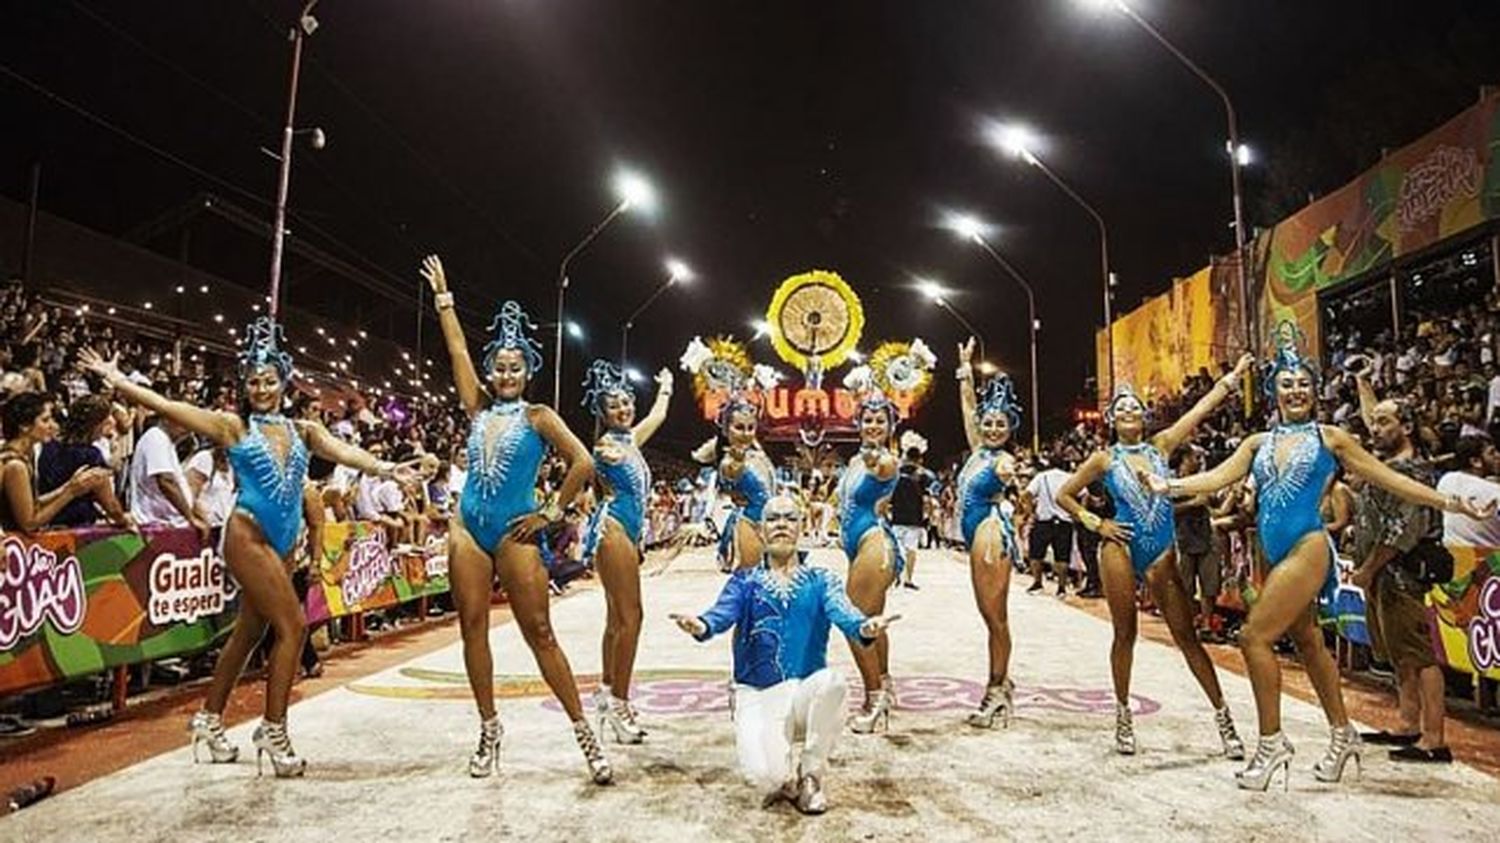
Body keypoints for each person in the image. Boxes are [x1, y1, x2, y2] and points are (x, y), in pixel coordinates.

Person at [1142, 323, 1493, 790]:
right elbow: (1216, 477)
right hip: (1271, 551)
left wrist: (1450, 502)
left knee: (1252, 638)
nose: (1296, 390)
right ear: (1273, 393)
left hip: (1308, 546)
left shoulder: (1331, 438)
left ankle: (1271, 745)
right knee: (1308, 641)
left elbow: (1390, 479)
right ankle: (1343, 734)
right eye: (1287, 384)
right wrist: (1169, 486)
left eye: (1304, 384)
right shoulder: (1256, 444)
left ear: (1315, 391)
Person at [79, 320, 411, 779]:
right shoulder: (232, 427)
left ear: (283, 382)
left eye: (268, 380)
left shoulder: (304, 430)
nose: (260, 387)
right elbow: (168, 404)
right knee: (293, 626)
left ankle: (209, 720)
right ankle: (273, 731)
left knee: (247, 634)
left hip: (285, 542)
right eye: (252, 381)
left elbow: (344, 453)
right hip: (247, 533)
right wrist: (119, 382)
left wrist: (388, 468)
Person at [422, 255, 611, 784]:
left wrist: (550, 512)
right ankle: (488, 728)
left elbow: (584, 463)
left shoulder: (539, 416)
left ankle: (584, 733)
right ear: (491, 371)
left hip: (513, 532)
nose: (506, 375)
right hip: (468, 530)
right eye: (499, 368)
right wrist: (446, 301)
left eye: (515, 368)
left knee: (540, 633)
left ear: (529, 370)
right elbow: (457, 347)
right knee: (472, 629)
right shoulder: (477, 409)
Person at [1057, 354, 1250, 758]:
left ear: (1144, 417)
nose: (1128, 411)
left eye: (1135, 407)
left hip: (1162, 549)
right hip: (1120, 544)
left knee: (1187, 636)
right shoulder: (1103, 459)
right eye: (1120, 408)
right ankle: (1124, 714)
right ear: (1111, 419)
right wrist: (1098, 524)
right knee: (1124, 633)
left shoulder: (1162, 446)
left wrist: (1231, 379)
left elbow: (1199, 409)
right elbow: (1064, 496)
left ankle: (1224, 718)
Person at [671, 494, 897, 814]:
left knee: (833, 683)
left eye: (790, 518)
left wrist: (864, 627)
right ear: (762, 530)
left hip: (805, 692)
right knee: (766, 777)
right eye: (774, 519)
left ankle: (811, 774)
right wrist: (701, 625)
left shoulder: (822, 580)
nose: (781, 525)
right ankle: (784, 774)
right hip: (758, 693)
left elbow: (845, 613)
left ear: (802, 528)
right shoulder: (745, 581)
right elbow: (720, 615)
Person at [1348, 386, 1448, 764]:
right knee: (1401, 655)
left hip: (1400, 573)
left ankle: (1434, 738)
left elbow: (1400, 532)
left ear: (1405, 426)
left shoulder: (1412, 472)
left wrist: (1368, 569)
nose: (1375, 428)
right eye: (1373, 422)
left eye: (1384, 422)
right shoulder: (1386, 468)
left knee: (1420, 656)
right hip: (1381, 576)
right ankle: (1409, 723)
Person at [578, 360, 673, 743]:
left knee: (618, 618)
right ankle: (618, 701)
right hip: (613, 528)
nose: (623, 410)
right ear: (602, 412)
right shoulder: (606, 446)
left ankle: (605, 691)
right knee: (631, 617)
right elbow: (594, 460)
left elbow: (657, 415)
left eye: (626, 403)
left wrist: (666, 385)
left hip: (624, 533)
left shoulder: (630, 440)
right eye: (613, 406)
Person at [952, 338, 1024, 728]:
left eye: (1001, 424)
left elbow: (1012, 474)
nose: (994, 428)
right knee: (989, 615)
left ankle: (997, 689)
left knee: (996, 617)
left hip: (991, 534)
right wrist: (965, 367)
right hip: (976, 533)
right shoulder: (978, 450)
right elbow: (967, 407)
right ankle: (1001, 683)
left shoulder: (1002, 460)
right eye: (989, 423)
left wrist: (1010, 476)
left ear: (1010, 429)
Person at [837, 390, 905, 733]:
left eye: (881, 420)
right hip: (860, 548)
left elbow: (885, 469)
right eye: (868, 419)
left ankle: (873, 697)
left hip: (874, 545)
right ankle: (884, 683)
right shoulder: (853, 461)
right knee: (872, 622)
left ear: (891, 425)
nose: (873, 425)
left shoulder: (885, 460)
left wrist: (876, 463)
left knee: (854, 623)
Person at [1, 392, 115, 532]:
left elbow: (34, 503)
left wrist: (68, 486)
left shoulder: (23, 456)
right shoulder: (15, 465)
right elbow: (29, 523)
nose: (52, 426)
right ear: (24, 426)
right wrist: (71, 493)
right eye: (45, 420)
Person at [35, 394, 132, 528]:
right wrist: (124, 520)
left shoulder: (49, 446)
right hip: (77, 528)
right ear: (97, 424)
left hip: (48, 522)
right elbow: (110, 505)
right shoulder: (90, 456)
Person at [711, 393, 775, 572]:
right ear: (726, 429)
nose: (746, 433)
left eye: (750, 428)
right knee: (751, 582)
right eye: (739, 427)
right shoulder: (729, 461)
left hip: (769, 524)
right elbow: (731, 472)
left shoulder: (758, 455)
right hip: (748, 524)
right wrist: (737, 463)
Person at [128, 412, 207, 536]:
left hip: (166, 524)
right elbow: (166, 481)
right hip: (155, 525)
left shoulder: (166, 441)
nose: (187, 429)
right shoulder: (156, 437)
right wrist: (190, 517)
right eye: (182, 422)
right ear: (166, 418)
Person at [1024, 456, 1073, 597]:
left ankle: (1037, 583)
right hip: (1064, 521)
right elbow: (1082, 494)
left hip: (1043, 520)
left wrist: (1031, 513)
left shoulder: (1042, 477)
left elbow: (1027, 494)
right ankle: (1061, 588)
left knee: (1036, 554)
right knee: (1062, 556)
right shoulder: (1070, 478)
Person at [890, 446, 932, 590]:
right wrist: (928, 515)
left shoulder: (895, 474)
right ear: (920, 459)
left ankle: (895, 577)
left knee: (896, 547)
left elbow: (889, 496)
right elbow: (927, 498)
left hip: (897, 516)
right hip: (915, 518)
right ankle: (908, 579)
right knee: (911, 549)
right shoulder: (923, 476)